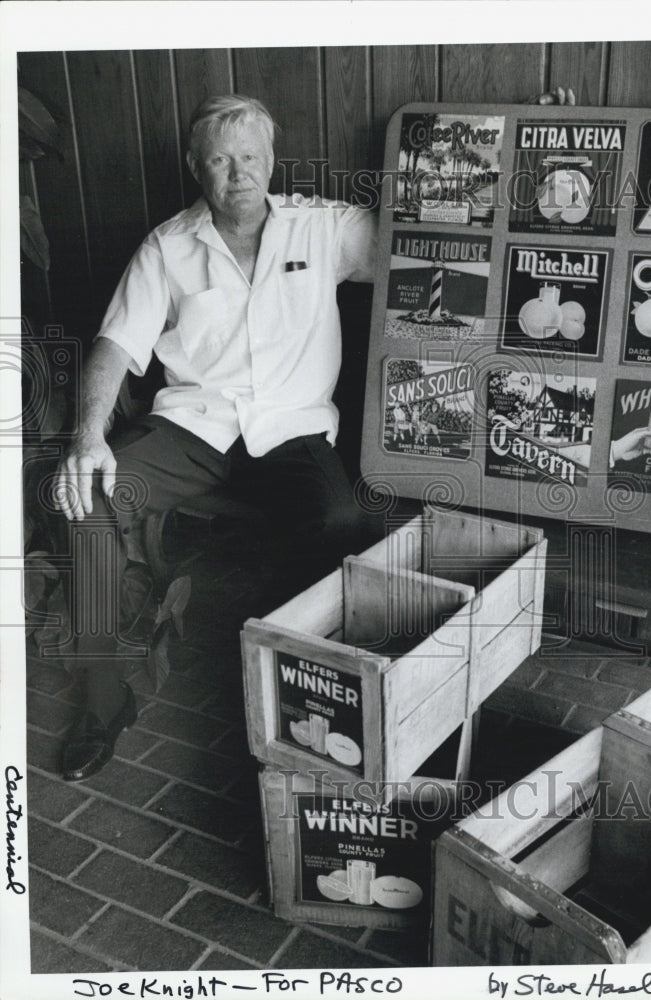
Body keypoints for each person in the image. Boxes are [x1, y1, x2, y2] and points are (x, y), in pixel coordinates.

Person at [54, 94, 378, 782]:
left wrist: (521, 142)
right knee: (92, 500)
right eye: (221, 160)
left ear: (272, 160)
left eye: (251, 156)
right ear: (196, 167)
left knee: (341, 520)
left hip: (291, 429)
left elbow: (430, 231)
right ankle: (104, 702)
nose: (239, 173)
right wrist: (88, 436)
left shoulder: (324, 228)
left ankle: (304, 695)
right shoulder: (168, 246)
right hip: (193, 426)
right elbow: (116, 345)